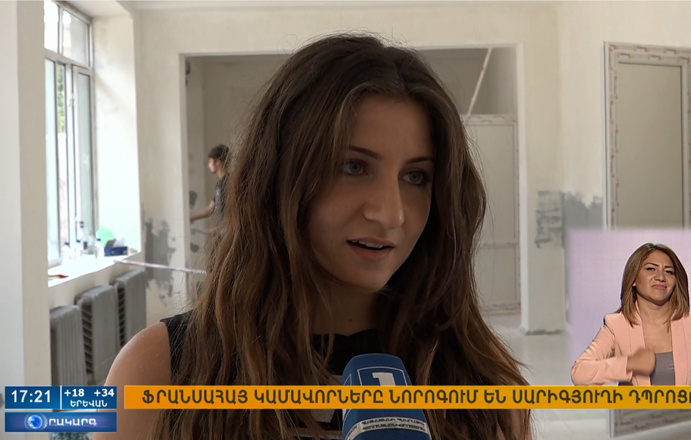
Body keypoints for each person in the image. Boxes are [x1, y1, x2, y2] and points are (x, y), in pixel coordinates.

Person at [97, 33, 532, 440]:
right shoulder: (156, 370)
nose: (391, 214)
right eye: (354, 167)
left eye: (416, 176)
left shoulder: (486, 384)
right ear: (279, 176)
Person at [571, 243, 691, 407]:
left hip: (684, 418)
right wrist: (628, 364)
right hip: (637, 419)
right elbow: (579, 373)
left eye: (669, 271)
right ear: (633, 279)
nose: (661, 277)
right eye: (651, 269)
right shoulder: (616, 325)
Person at [190, 144, 229, 232]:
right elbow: (210, 209)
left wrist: (217, 228)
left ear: (217, 162)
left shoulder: (229, 183)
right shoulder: (219, 184)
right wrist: (190, 216)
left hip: (228, 233)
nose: (208, 165)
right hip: (221, 233)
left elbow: (233, 213)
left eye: (210, 162)